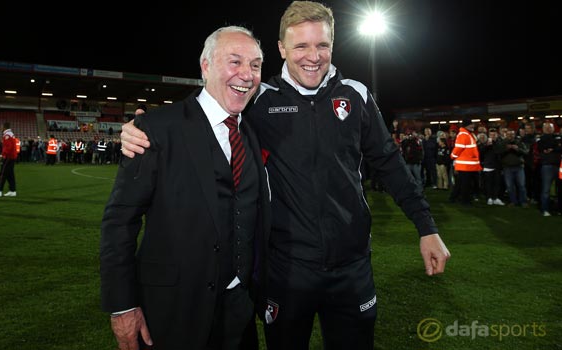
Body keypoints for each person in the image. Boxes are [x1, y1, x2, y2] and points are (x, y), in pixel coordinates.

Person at [120, 2, 450, 349]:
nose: (313, 56)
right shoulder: (259, 98)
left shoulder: (356, 94)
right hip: (287, 270)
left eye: (322, 45)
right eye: (301, 46)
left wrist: (426, 227)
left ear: (333, 46)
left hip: (352, 267)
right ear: (281, 49)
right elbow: (202, 109)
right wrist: (144, 126)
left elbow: (390, 164)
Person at [100, 26, 270, 350]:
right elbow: (119, 222)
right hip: (173, 312)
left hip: (239, 311)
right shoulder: (155, 128)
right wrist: (122, 305)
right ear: (206, 66)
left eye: (256, 65)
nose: (246, 75)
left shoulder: (251, 129)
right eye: (234, 62)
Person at [450, 118, 482, 206]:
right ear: (467, 125)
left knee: (461, 184)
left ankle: (454, 198)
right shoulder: (464, 134)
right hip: (466, 166)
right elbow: (458, 148)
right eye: (472, 124)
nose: (473, 126)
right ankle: (465, 201)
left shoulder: (466, 134)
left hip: (467, 165)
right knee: (466, 185)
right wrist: (452, 156)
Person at [0, 122, 18, 198]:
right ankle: (12, 190)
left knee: (2, 173)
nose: (1, 128)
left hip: (8, 157)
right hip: (12, 157)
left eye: (2, 126)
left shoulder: (7, 135)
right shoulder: (10, 134)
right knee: (10, 174)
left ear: (4, 126)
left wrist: (2, 156)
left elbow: (8, 147)